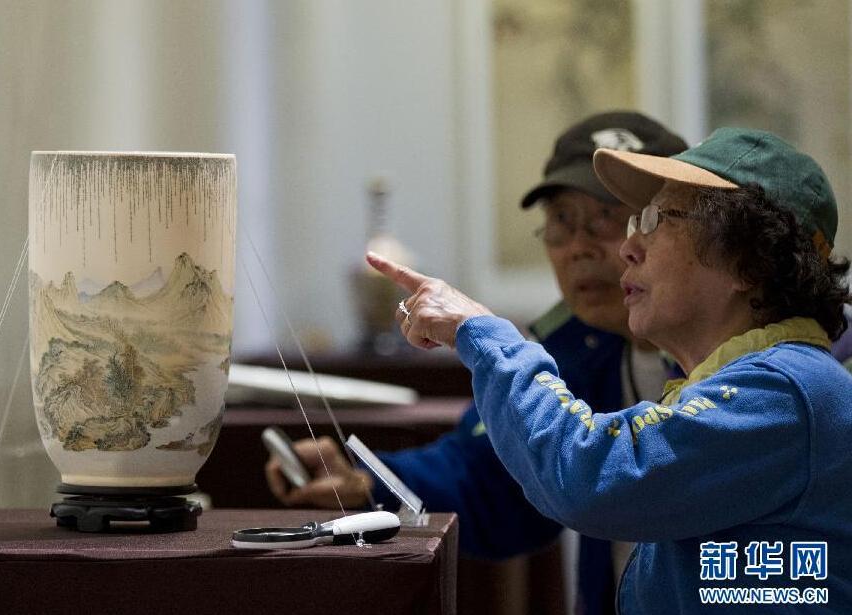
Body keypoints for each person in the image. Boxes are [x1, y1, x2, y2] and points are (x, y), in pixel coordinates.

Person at [367, 127, 852, 613]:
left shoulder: (783, 390)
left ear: (749, 261)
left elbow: (590, 477)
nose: (628, 246)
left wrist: (482, 332)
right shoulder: (765, 380)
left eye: (658, 220)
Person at [267, 111, 689, 614]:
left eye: (609, 217)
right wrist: (364, 482)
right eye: (561, 223)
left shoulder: (736, 364)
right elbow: (487, 480)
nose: (580, 248)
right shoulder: (574, 347)